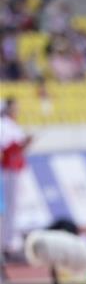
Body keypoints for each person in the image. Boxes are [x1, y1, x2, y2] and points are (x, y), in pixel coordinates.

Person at [1, 98, 34, 258]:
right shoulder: (3, 126)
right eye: (14, 108)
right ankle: (7, 242)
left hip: (16, 168)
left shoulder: (13, 126)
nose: (17, 111)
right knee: (10, 206)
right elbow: (5, 148)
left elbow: (19, 148)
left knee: (14, 206)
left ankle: (11, 240)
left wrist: (26, 143)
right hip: (8, 169)